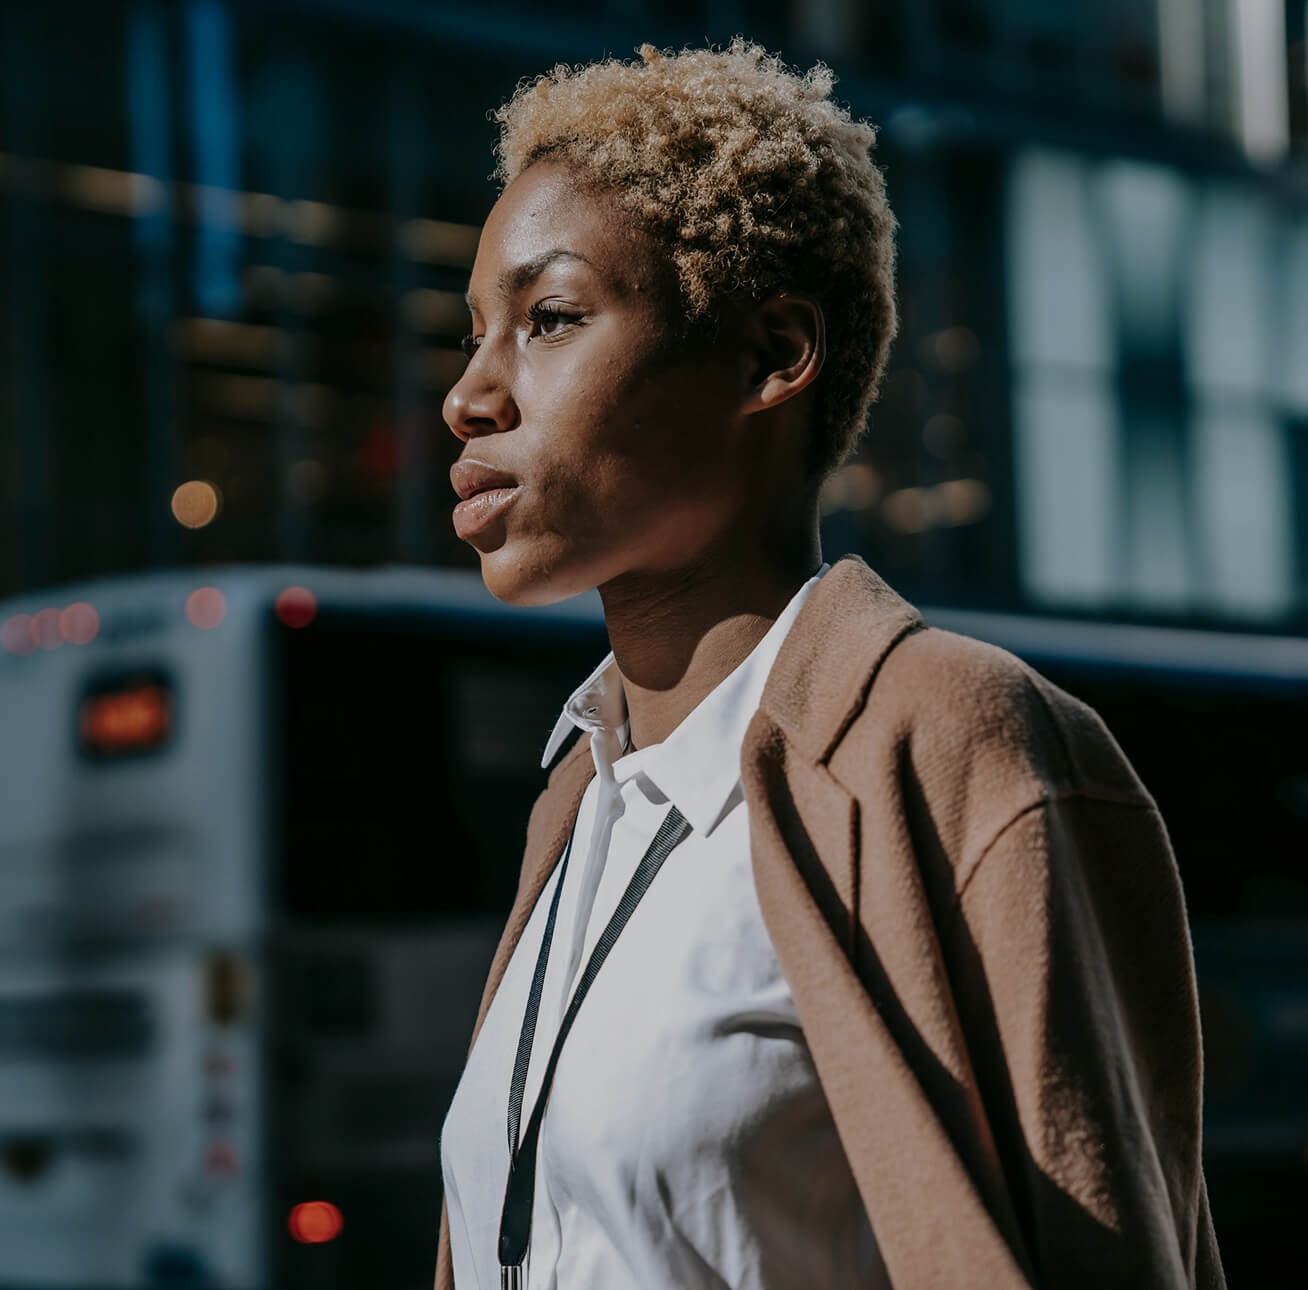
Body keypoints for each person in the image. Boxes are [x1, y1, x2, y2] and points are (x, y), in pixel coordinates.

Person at [435, 40, 1224, 1290]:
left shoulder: (958, 737)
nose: (471, 397)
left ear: (772, 354)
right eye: (475, 334)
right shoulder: (582, 800)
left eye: (551, 320)